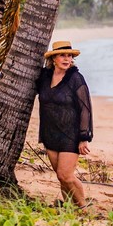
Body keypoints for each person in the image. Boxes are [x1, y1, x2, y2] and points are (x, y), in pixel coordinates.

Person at [36, 40, 93, 208]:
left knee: (66, 175)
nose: (67, 59)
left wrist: (83, 137)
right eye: (62, 55)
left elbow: (85, 109)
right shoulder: (45, 77)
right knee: (60, 176)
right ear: (54, 59)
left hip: (71, 134)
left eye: (69, 56)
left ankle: (83, 206)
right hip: (50, 132)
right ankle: (70, 207)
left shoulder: (75, 78)